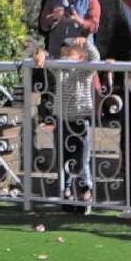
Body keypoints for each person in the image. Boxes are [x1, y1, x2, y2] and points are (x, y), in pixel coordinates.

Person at [45, 38, 100, 212]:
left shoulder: (84, 70)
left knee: (81, 159)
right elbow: (45, 60)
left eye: (70, 53)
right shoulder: (59, 70)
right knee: (63, 158)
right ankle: (66, 190)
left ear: (79, 55)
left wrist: (86, 44)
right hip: (62, 119)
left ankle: (86, 190)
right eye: (63, 53)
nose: (65, 57)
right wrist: (39, 53)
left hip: (80, 119)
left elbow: (95, 58)